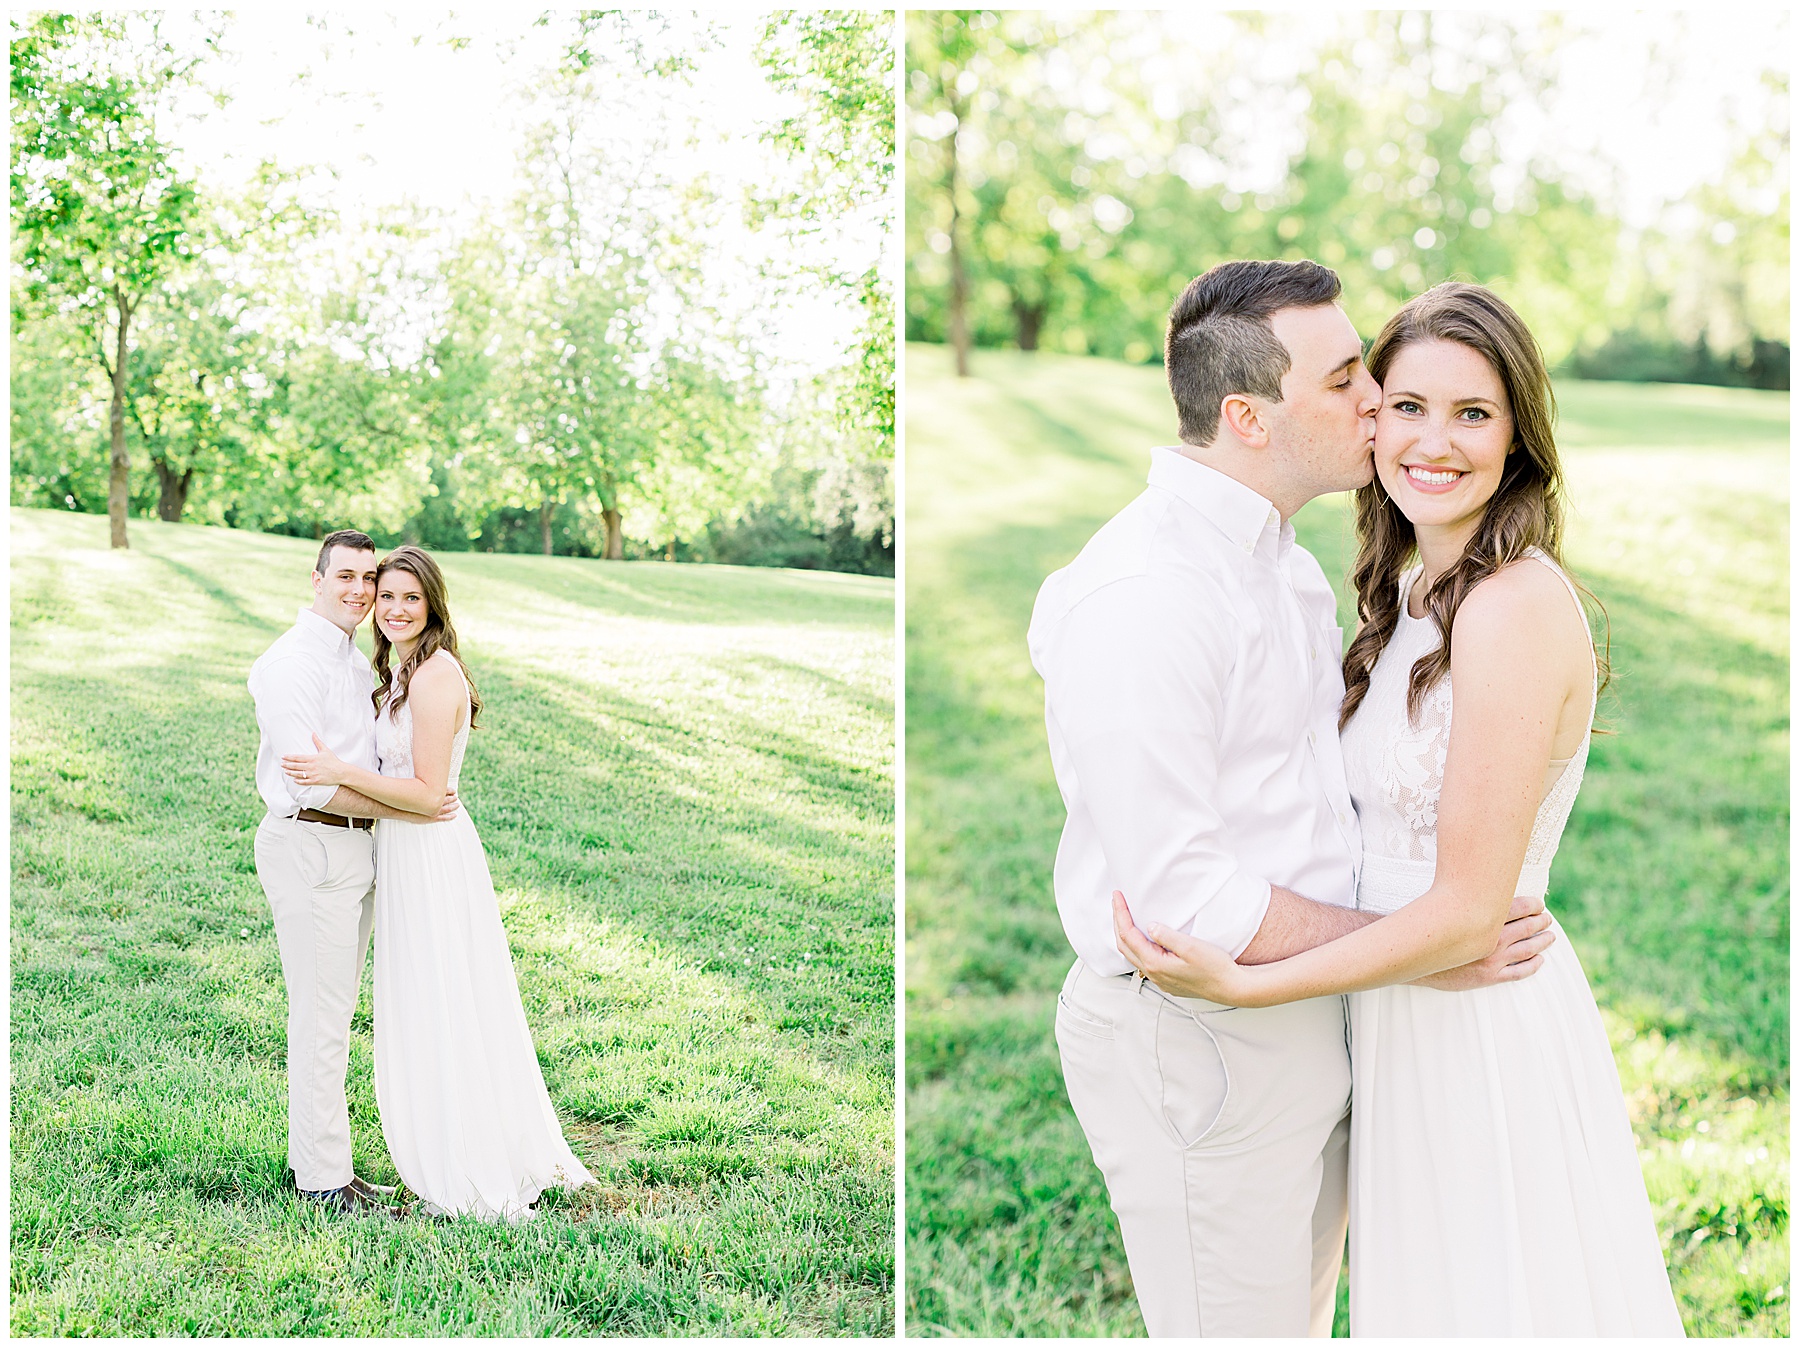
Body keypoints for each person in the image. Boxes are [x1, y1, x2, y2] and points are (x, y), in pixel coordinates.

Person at [1114, 282, 1683, 1335]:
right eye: (1406, 404)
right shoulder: (1416, 592)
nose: (1434, 440)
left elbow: (1469, 912)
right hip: (1393, 1010)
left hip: (1474, 1025)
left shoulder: (1511, 606)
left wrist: (1247, 981)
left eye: (1474, 413)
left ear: (1519, 436)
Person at [1026, 260, 1554, 1338]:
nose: (1376, 401)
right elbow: (1186, 897)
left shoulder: (1286, 565)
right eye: (1347, 377)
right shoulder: (1148, 596)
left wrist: (1392, 959)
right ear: (1247, 416)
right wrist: (1425, 940)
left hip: (1324, 1016)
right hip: (1205, 1031)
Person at [281, 545, 595, 1222]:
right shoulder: (401, 668)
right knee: (427, 999)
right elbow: (419, 795)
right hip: (406, 848)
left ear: (433, 606)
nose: (392, 608)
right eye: (383, 595)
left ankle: (470, 1160)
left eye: (408, 598)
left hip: (429, 854)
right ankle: (456, 1140)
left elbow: (428, 794)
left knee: (443, 1000)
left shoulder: (433, 675)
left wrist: (337, 771)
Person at [247, 529, 455, 1216]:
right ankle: (321, 1181)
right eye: (346, 577)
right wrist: (416, 809)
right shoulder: (289, 666)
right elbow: (308, 785)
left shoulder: (352, 660)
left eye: (370, 578)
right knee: (322, 1019)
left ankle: (330, 1165)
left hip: (355, 851)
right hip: (311, 847)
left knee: (335, 1014)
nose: (361, 591)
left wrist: (392, 812)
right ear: (316, 580)